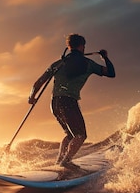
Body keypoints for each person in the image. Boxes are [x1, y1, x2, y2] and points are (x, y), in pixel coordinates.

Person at [28, 34, 116, 168]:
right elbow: (111, 73)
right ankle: (66, 161)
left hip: (54, 103)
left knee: (70, 134)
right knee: (80, 135)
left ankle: (59, 162)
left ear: (69, 47)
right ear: (82, 46)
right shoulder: (88, 63)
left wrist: (32, 97)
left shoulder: (57, 64)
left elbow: (37, 83)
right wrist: (105, 57)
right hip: (68, 102)